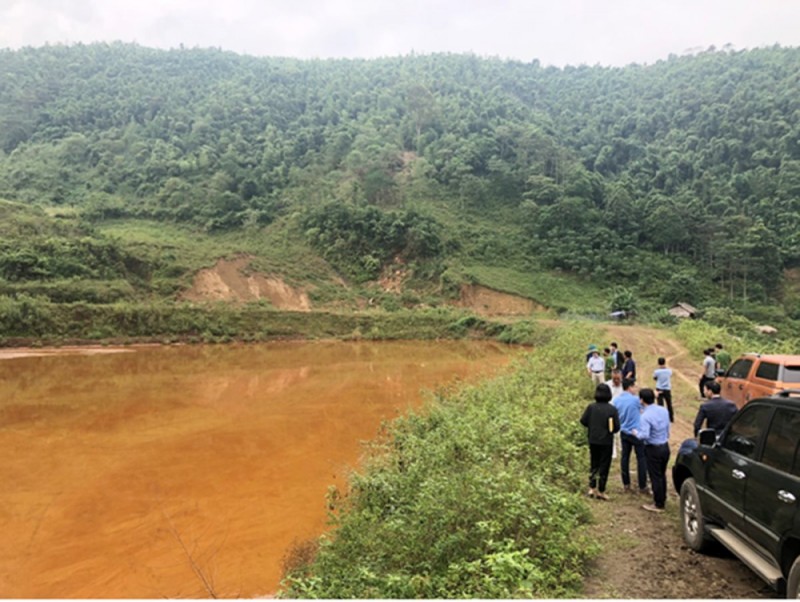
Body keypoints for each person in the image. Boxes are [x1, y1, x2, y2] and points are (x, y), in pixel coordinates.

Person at [580, 383, 620, 501]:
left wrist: (592, 426)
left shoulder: (591, 407)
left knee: (594, 463)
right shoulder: (612, 409)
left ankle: (592, 487)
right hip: (606, 441)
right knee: (604, 465)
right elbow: (616, 428)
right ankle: (601, 490)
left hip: (593, 439)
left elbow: (583, 421)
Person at [638, 388, 671, 513]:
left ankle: (658, 504)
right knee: (662, 474)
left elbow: (645, 435)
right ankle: (663, 497)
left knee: (655, 476)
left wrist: (637, 433)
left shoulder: (645, 416)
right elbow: (668, 426)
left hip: (653, 448)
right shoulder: (663, 410)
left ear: (641, 400)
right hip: (664, 446)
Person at [614, 378, 649, 495]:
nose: (636, 389)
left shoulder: (617, 400)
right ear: (629, 387)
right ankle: (642, 485)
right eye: (634, 386)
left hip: (624, 432)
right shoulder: (636, 400)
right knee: (641, 458)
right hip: (636, 432)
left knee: (625, 457)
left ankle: (626, 484)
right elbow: (645, 410)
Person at [653, 357, 674, 423]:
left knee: (660, 404)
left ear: (658, 363)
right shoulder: (669, 371)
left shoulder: (656, 371)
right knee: (669, 404)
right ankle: (671, 418)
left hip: (659, 388)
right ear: (665, 362)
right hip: (667, 389)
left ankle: (661, 418)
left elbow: (655, 378)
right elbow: (670, 376)